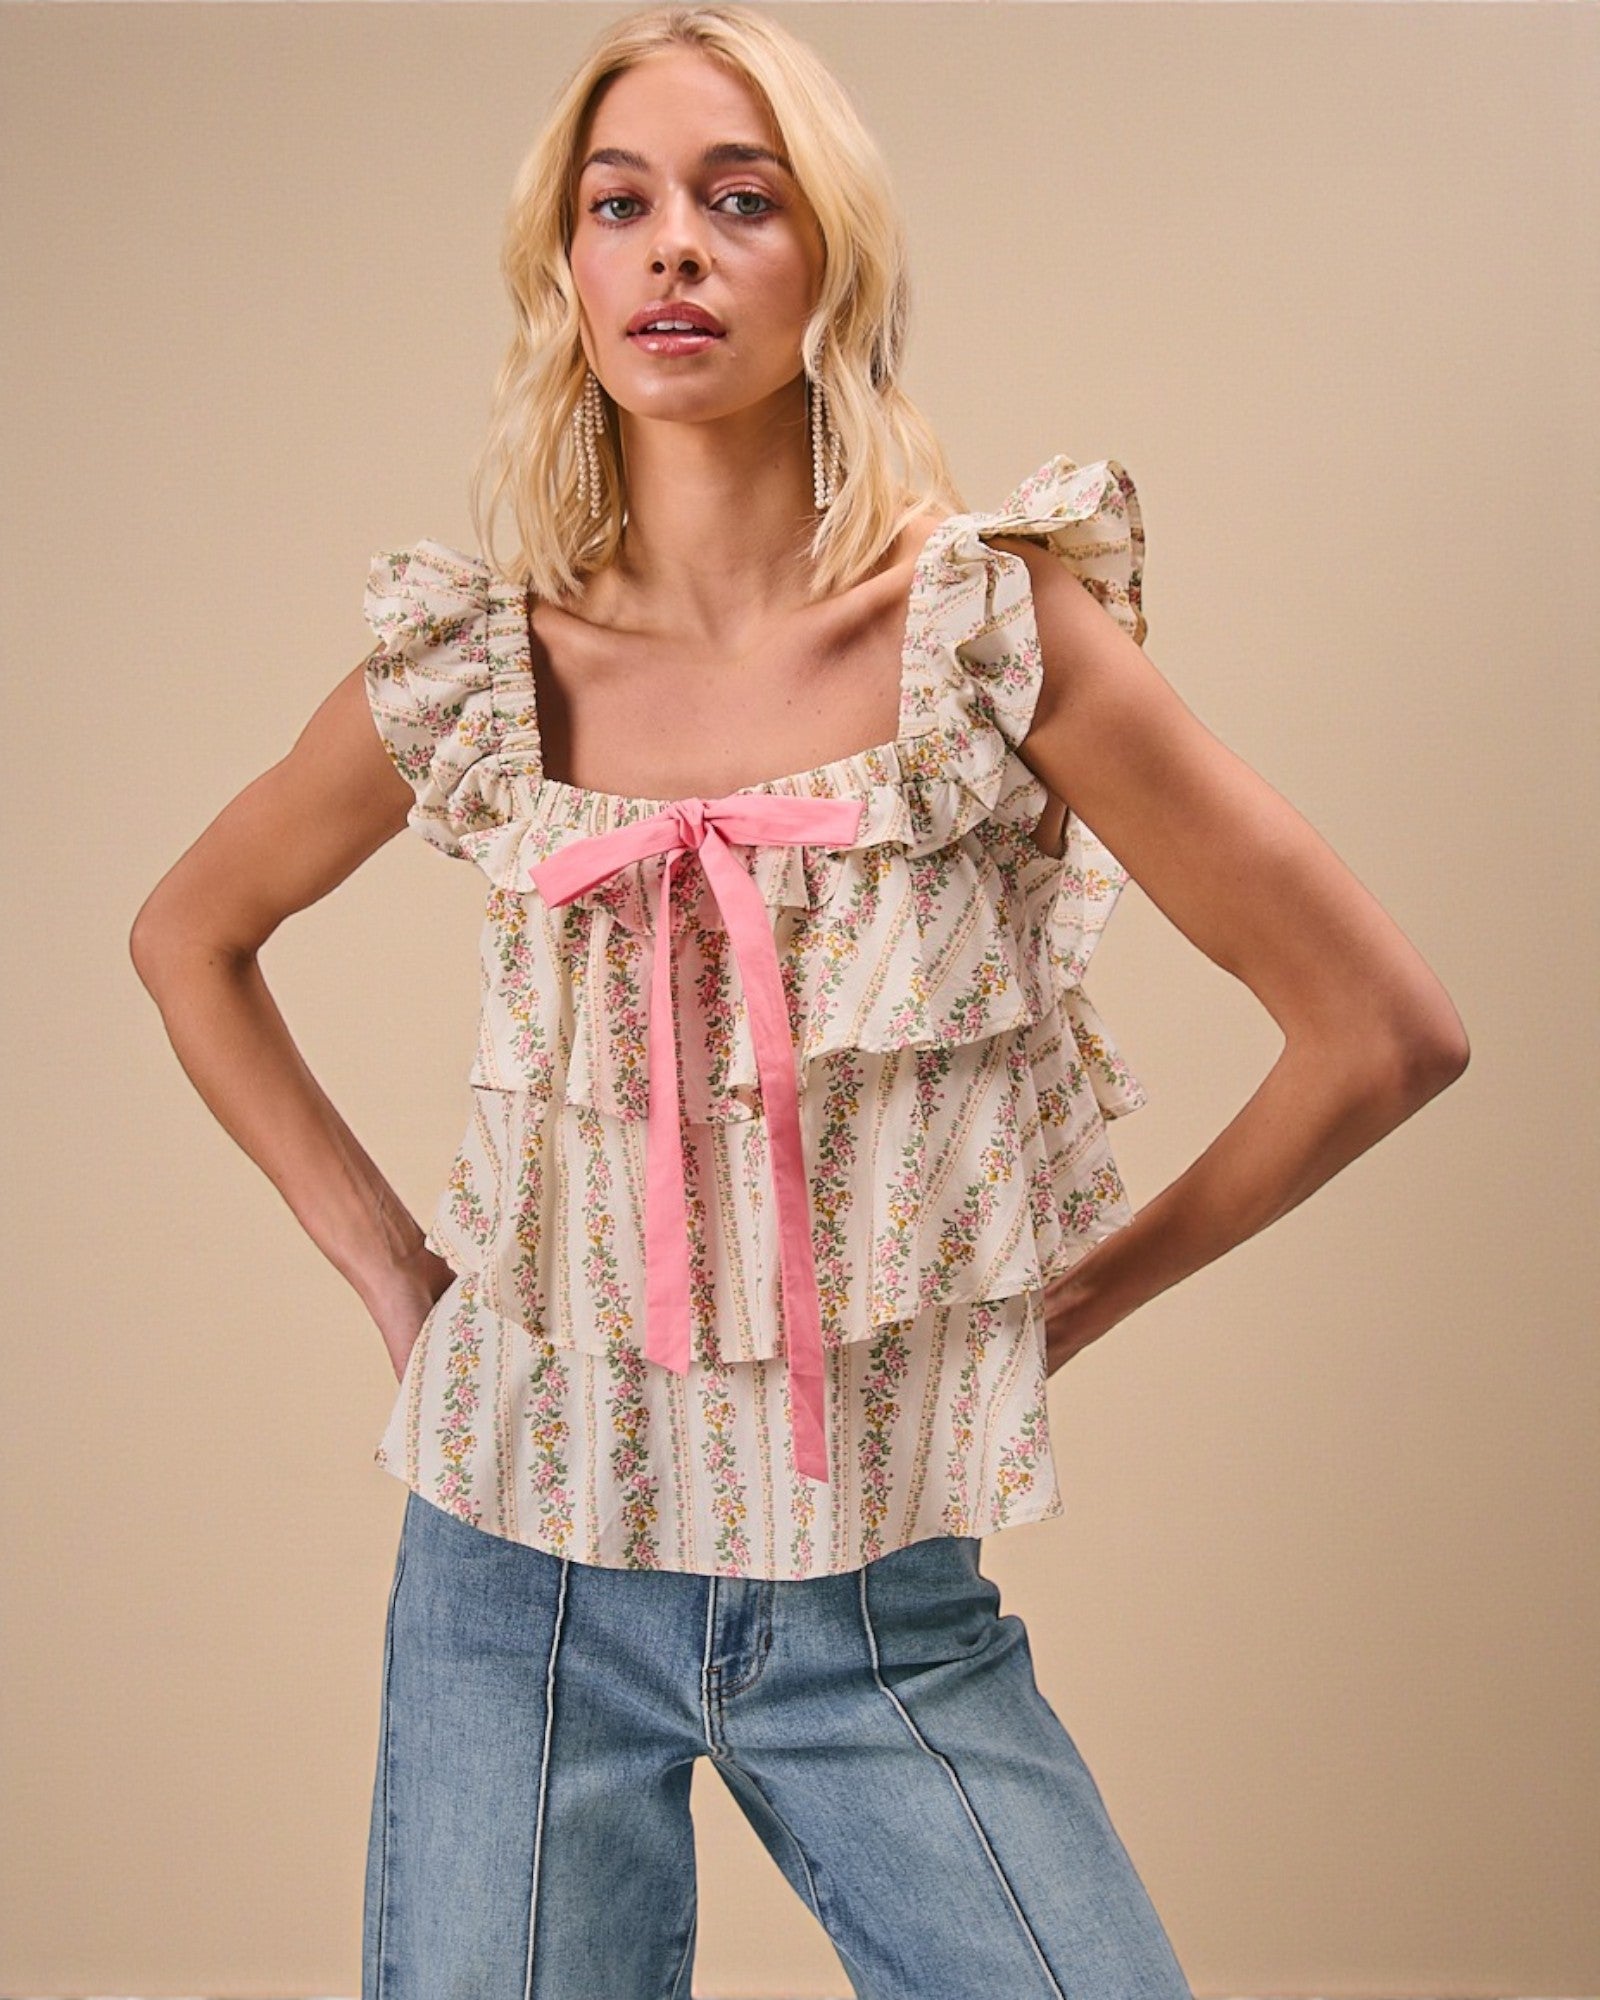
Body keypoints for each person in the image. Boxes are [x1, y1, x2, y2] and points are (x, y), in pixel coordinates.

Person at [129, 5, 1470, 1995]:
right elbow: (189, 933)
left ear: (823, 259)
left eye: (735, 200)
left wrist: (1051, 1308)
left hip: (869, 1595)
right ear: (565, 273)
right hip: (522, 1578)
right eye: (621, 203)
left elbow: (1380, 1032)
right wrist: (401, 1284)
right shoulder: (479, 673)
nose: (672, 246)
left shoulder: (989, 645)